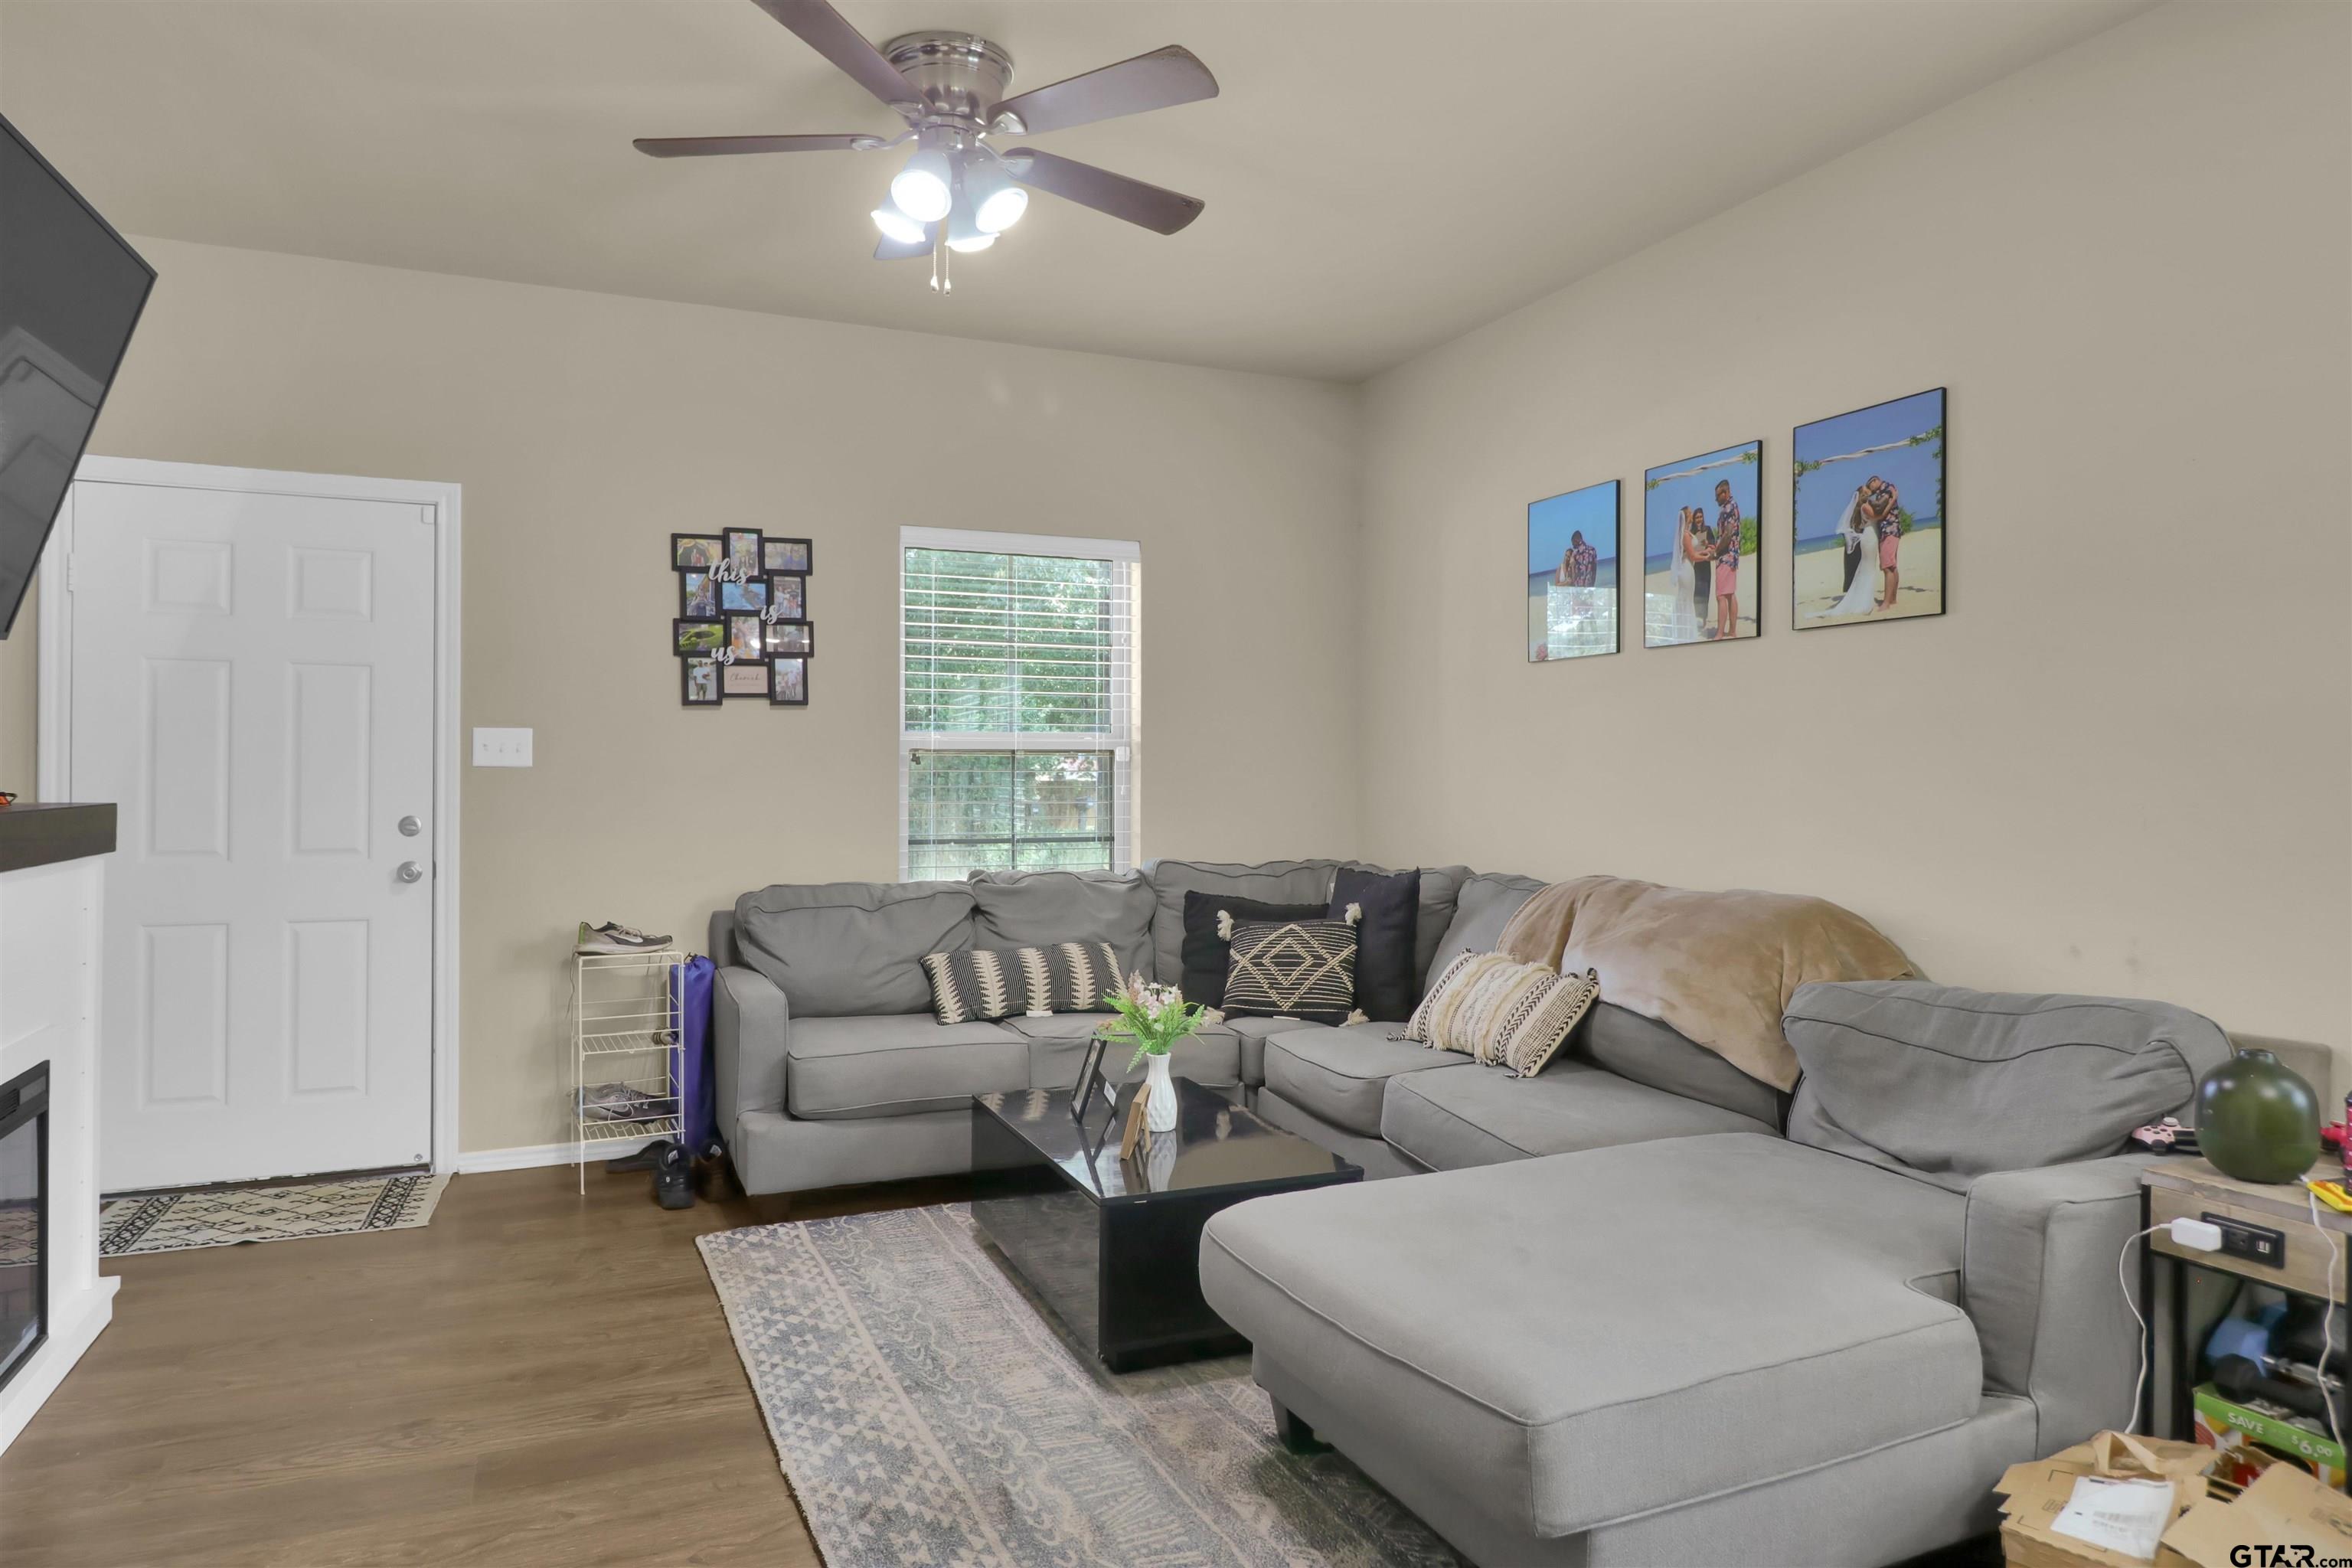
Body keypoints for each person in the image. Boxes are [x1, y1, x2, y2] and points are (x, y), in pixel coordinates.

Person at [1711, 479, 1743, 640]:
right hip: (1733, 555)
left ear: (1726, 493)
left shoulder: (1729, 508)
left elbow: (1728, 534)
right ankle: (1732, 631)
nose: (1716, 499)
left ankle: (1720, 633)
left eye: (1718, 496)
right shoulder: (1732, 506)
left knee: (1721, 596)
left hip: (1726, 555)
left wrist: (1716, 551)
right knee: (1730, 594)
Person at [1866, 478, 1903, 610]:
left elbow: (1881, 507)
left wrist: (1870, 500)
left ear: (1876, 480)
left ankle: (1886, 603)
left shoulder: (1887, 488)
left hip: (1890, 529)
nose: (1871, 490)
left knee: (1887, 566)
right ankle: (1892, 599)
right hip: (1889, 530)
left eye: (1871, 486)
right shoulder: (1883, 491)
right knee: (1892, 566)